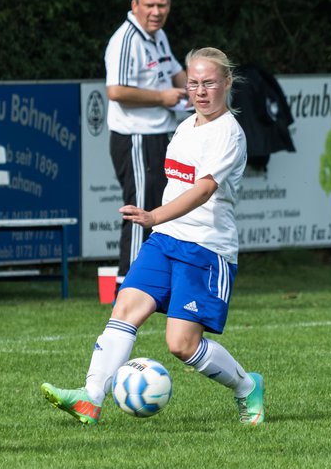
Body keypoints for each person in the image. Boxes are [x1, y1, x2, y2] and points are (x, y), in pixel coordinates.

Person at [42, 47, 264, 425]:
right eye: (193, 83)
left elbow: (204, 190)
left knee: (181, 345)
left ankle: (247, 387)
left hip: (206, 248)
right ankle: (90, 398)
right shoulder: (184, 126)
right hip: (165, 239)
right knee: (125, 308)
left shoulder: (229, 134)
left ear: (227, 83)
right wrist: (159, 223)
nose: (200, 91)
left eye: (209, 83)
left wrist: (153, 215)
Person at [104, 0, 190, 283]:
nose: (156, 12)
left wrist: (197, 91)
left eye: (162, 5)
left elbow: (177, 71)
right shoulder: (126, 39)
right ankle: (126, 284)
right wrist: (162, 97)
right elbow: (116, 91)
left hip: (158, 134)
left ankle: (153, 282)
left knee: (160, 209)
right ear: (135, 5)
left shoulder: (158, 36)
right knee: (140, 210)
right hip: (135, 137)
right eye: (150, 5)